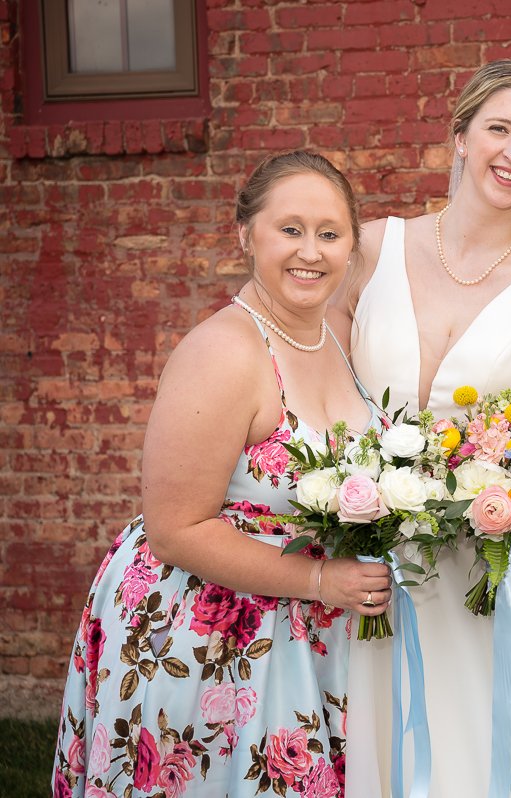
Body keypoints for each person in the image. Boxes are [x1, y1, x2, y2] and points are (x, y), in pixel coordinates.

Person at [52, 151, 391, 797]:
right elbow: (176, 530)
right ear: (247, 234)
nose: (311, 252)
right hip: (216, 634)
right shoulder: (224, 351)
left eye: (329, 233)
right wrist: (320, 579)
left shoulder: (339, 335)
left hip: (323, 621)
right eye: (290, 229)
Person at [342, 59, 511, 795]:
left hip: (492, 584)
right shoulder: (371, 249)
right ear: (459, 137)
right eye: (498, 128)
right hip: (364, 567)